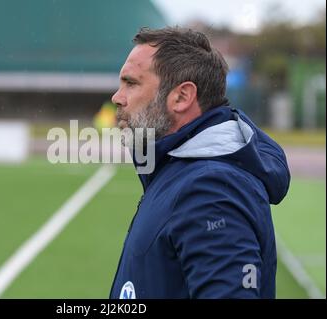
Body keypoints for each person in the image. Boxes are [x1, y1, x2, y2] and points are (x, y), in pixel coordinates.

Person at [109, 26, 290, 299]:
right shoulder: (179, 169)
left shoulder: (212, 190)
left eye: (131, 83)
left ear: (182, 97)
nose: (117, 97)